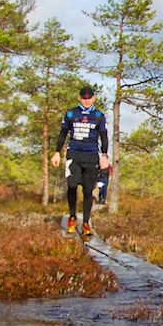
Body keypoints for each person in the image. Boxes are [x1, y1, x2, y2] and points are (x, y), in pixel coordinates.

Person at [50, 84, 110, 238]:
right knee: (71, 185)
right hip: (74, 155)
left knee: (88, 190)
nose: (86, 100)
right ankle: (72, 217)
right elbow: (63, 133)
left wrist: (104, 155)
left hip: (91, 156)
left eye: (89, 98)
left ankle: (85, 223)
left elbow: (103, 136)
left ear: (94, 98)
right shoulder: (71, 114)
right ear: (79, 98)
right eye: (84, 98)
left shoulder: (98, 116)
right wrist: (57, 152)